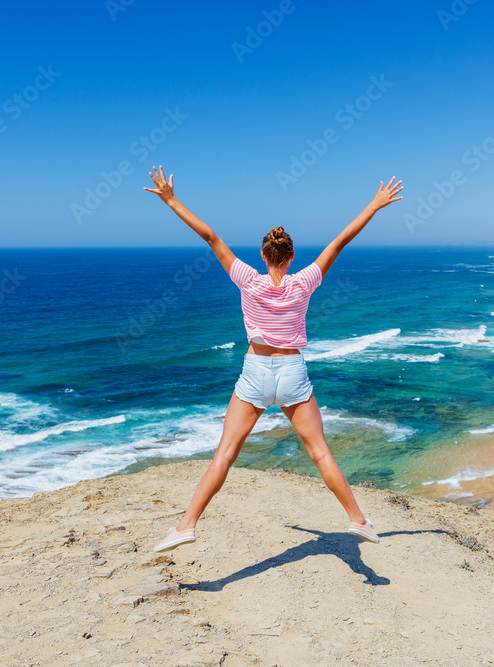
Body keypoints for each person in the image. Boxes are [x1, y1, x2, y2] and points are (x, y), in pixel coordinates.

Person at [144, 165, 404, 553]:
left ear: (263, 255)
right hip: (292, 372)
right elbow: (341, 241)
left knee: (226, 454)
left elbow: (210, 236)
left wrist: (170, 199)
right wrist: (375, 205)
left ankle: (185, 526)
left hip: (254, 372)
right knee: (319, 452)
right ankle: (358, 520)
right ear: (291, 255)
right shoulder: (305, 281)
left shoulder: (247, 279)